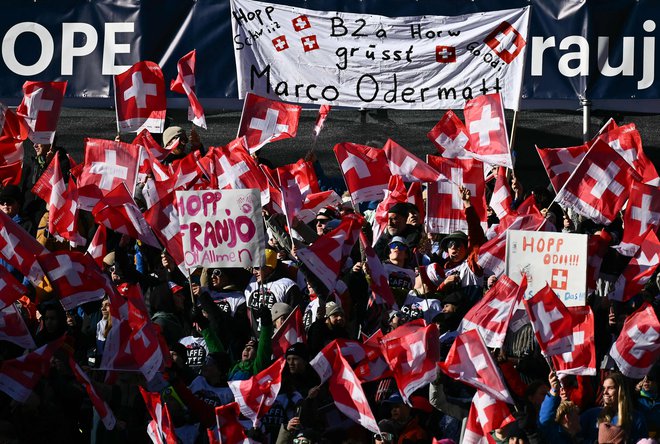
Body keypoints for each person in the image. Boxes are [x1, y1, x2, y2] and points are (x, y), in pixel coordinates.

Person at [580, 372, 648, 443]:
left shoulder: (637, 418)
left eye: (610, 388)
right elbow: (575, 437)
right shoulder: (592, 415)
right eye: (604, 388)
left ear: (621, 391)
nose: (605, 392)